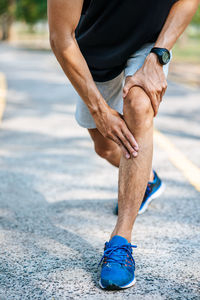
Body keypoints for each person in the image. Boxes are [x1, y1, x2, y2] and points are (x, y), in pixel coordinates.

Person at [48, 0, 199, 290]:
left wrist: (159, 53)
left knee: (139, 105)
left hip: (149, 43)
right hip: (93, 54)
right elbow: (60, 37)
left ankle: (121, 241)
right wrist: (99, 111)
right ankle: (148, 180)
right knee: (105, 148)